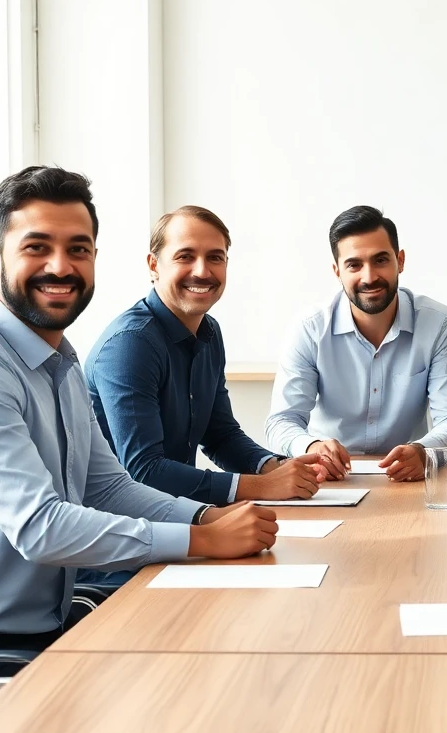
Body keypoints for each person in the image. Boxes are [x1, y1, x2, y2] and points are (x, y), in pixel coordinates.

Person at [0, 167, 278, 733]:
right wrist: (201, 539)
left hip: (40, 636)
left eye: (78, 249)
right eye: (37, 247)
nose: (61, 266)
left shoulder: (56, 359)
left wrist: (205, 516)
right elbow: (40, 528)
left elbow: (108, 486)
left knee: (224, 677)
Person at [85, 206, 324, 507]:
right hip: (121, 522)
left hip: (174, 512)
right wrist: (262, 486)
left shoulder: (209, 331)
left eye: (215, 257)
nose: (202, 271)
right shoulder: (130, 343)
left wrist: (276, 467)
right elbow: (145, 471)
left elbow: (220, 435)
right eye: (185, 256)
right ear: (153, 265)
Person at [265, 205, 447, 480]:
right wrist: (312, 447)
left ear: (400, 261)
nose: (369, 277)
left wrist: (423, 451)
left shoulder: (439, 323)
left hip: (407, 479)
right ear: (337, 271)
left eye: (381, 260)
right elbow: (281, 422)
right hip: (329, 479)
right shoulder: (310, 328)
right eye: (354, 265)